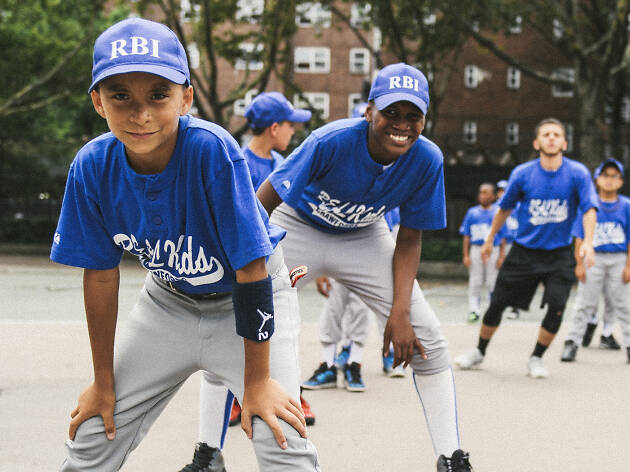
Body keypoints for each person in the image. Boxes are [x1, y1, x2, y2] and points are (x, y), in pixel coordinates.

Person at [49, 18, 320, 472]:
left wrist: (255, 383)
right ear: (98, 101)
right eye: (121, 96)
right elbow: (99, 273)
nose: (141, 114)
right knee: (94, 431)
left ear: (186, 97)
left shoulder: (211, 149)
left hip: (248, 296)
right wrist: (102, 381)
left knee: (282, 437)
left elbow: (252, 268)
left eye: (158, 94)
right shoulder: (92, 166)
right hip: (167, 303)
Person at [256, 62, 473, 471]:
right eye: (392, 112)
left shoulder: (427, 159)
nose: (402, 124)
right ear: (369, 110)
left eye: (413, 116)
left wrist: (400, 312)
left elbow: (409, 238)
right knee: (242, 320)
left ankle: (452, 457)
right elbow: (262, 201)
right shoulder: (331, 140)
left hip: (364, 234)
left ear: (425, 120)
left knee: (429, 341)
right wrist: (244, 269)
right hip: (298, 223)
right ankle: (207, 451)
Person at [181, 90, 315, 471]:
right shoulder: (234, 161)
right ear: (275, 128)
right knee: (218, 363)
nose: (294, 131)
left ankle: (286, 404)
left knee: (279, 347)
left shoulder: (281, 164)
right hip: (231, 277)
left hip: (270, 275)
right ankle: (210, 451)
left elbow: (290, 225)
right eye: (291, 124)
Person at [454, 118, 598, 379]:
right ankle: (479, 351)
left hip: (559, 254)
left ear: (564, 142)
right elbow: (504, 208)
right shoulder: (522, 173)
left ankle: (536, 357)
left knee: (557, 306)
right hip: (524, 251)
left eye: (557, 134)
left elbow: (589, 208)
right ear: (537, 142)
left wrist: (587, 241)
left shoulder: (577, 173)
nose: (551, 138)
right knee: (496, 304)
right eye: (546, 134)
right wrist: (489, 239)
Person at [303, 208, 405, 394]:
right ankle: (328, 365)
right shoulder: (341, 194)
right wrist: (321, 269)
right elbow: (323, 229)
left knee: (360, 312)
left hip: (367, 261)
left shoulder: (388, 201)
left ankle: (354, 364)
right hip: (336, 256)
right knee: (333, 309)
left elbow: (394, 236)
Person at [561, 158, 630, 363]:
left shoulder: (626, 205)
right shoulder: (589, 205)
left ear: (621, 181)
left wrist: (628, 265)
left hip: (618, 258)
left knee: (624, 304)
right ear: (597, 179)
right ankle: (572, 343)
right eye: (605, 175)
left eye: (614, 176)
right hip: (593, 258)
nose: (609, 180)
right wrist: (579, 264)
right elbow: (579, 237)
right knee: (584, 302)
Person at [459, 182, 505, 323]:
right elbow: (466, 235)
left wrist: (502, 256)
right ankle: (474, 309)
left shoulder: (498, 212)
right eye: (481, 192)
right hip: (477, 248)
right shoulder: (472, 212)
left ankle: (493, 310)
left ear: (492, 195)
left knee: (493, 280)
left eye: (486, 193)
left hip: (493, 249)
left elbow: (503, 236)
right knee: (475, 280)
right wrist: (465, 255)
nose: (482, 196)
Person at [496, 179, 520, 319]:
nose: (503, 193)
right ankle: (499, 306)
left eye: (505, 191)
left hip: (514, 245)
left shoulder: (517, 208)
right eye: (500, 191)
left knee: (515, 277)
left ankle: (515, 307)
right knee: (499, 277)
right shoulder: (495, 209)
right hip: (498, 246)